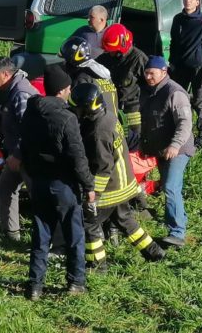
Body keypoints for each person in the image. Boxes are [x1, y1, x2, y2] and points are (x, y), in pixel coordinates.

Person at [69, 83, 165, 269]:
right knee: (125, 220)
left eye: (78, 108)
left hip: (110, 189)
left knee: (89, 223)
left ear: (88, 108)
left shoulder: (99, 133)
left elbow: (103, 167)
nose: (76, 111)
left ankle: (97, 264)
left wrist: (93, 195)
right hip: (124, 183)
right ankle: (154, 252)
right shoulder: (109, 117)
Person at [20, 65, 94, 300]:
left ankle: (35, 286)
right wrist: (89, 185)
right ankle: (76, 282)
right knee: (74, 235)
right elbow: (77, 156)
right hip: (63, 184)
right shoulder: (67, 117)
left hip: (39, 181)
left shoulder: (30, 112)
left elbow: (25, 147)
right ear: (63, 90)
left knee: (41, 235)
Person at [139, 56, 195, 249]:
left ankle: (177, 233)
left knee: (170, 187)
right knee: (169, 187)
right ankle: (180, 220)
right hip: (162, 149)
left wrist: (175, 145)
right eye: (146, 72)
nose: (147, 76)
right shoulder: (149, 91)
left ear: (164, 72)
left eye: (151, 73)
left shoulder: (174, 92)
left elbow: (185, 122)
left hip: (177, 149)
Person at [0, 56, 39, 241]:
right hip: (16, 155)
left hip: (27, 155)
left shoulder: (21, 93)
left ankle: (50, 240)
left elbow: (30, 130)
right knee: (5, 187)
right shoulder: (12, 89)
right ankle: (11, 233)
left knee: (38, 197)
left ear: (6, 74)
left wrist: (17, 155)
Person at [168, 0, 202, 149]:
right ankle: (177, 131)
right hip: (179, 68)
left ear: (197, 2)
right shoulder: (177, 19)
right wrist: (171, 64)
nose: (187, 1)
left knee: (199, 102)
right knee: (177, 100)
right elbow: (173, 43)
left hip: (198, 69)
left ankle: (201, 135)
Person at [97, 23, 148, 137]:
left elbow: (150, 86)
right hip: (111, 107)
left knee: (133, 143)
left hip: (132, 111)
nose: (108, 53)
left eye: (111, 51)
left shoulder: (138, 59)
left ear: (121, 48)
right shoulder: (107, 57)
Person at [59, 36, 118, 118]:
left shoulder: (82, 78)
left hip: (97, 127)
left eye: (66, 60)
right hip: (113, 123)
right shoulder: (101, 71)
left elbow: (76, 110)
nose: (64, 63)